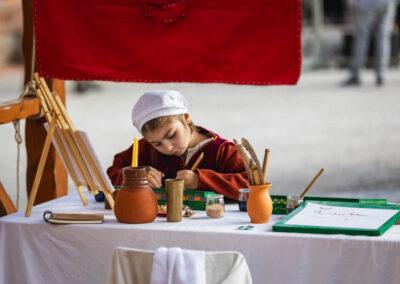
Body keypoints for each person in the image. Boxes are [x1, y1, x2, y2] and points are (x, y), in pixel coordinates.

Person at [106, 90, 248, 200]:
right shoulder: (145, 148)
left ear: (186, 118)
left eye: (171, 135)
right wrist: (135, 176)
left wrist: (200, 180)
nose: (167, 148)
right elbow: (107, 177)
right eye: (157, 144)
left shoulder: (222, 151)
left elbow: (253, 184)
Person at [344, 0, 395, 86]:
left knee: (362, 38)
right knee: (383, 37)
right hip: (385, 3)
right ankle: (381, 74)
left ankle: (356, 74)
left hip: (365, 4)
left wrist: (351, 4)